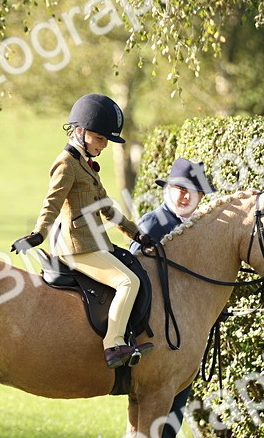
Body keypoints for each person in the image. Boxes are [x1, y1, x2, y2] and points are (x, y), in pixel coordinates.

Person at [12, 94, 157, 368]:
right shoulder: (66, 164)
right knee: (128, 282)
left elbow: (107, 206)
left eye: (105, 140)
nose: (103, 146)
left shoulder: (85, 165)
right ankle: (114, 346)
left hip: (93, 242)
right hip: (75, 247)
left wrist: (134, 233)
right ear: (80, 131)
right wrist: (38, 234)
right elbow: (51, 204)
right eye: (100, 139)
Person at [130, 157, 215, 438]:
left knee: (173, 416)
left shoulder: (199, 231)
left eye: (192, 192)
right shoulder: (152, 224)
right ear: (168, 190)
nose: (184, 197)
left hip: (182, 339)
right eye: (179, 189)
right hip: (155, 339)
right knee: (158, 413)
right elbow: (134, 272)